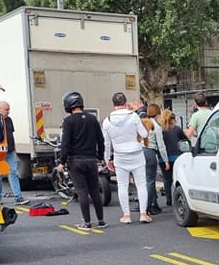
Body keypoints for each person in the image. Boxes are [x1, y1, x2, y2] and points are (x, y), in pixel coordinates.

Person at [58, 91, 107, 230]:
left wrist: (62, 161)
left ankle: (87, 222)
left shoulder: (68, 121)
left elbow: (65, 143)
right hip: (91, 159)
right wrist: (100, 157)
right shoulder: (92, 119)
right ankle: (101, 221)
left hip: (76, 161)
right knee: (94, 190)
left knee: (82, 192)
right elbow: (100, 140)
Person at [102, 92, 150, 224]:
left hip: (120, 156)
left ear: (113, 104)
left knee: (122, 186)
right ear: (125, 103)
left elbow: (106, 144)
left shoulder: (107, 121)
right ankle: (143, 214)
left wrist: (107, 159)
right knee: (141, 184)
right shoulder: (134, 116)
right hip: (136, 154)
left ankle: (126, 215)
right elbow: (143, 134)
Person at [137, 102, 169, 215]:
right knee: (150, 181)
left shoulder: (142, 123)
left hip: (139, 152)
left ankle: (146, 205)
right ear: (157, 114)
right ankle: (147, 206)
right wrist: (165, 160)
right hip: (150, 152)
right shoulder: (156, 126)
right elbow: (161, 146)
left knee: (142, 181)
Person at [0, 100, 29, 205]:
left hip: (10, 151)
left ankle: (18, 197)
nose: (8, 111)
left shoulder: (9, 120)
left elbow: (11, 135)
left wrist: (14, 149)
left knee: (13, 173)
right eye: (6, 109)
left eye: (8, 109)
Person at [159, 108, 188, 207]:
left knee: (167, 180)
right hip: (176, 157)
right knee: (177, 178)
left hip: (163, 159)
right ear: (172, 119)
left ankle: (168, 199)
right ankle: (178, 198)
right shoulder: (177, 129)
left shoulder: (160, 130)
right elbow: (185, 140)